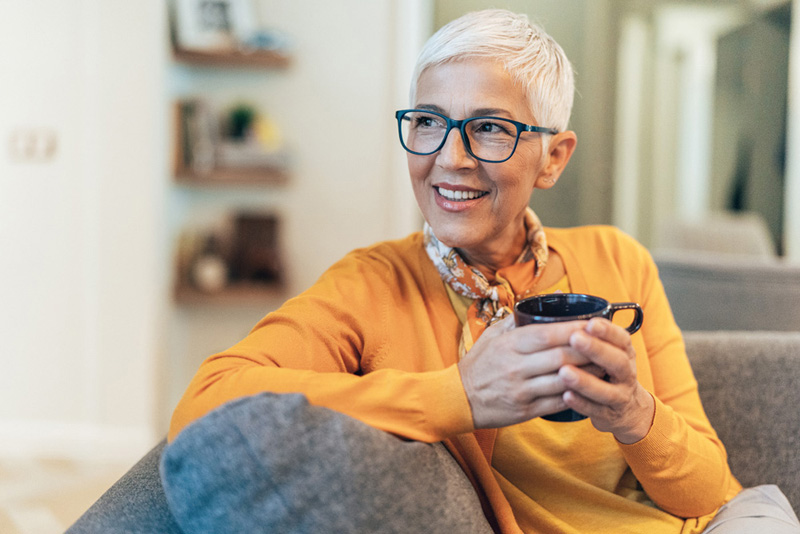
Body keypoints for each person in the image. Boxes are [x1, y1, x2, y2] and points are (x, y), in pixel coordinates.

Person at [165, 9, 800, 534]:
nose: (450, 159)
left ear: (553, 158)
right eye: (429, 123)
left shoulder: (617, 259)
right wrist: (460, 396)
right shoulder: (371, 285)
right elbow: (206, 407)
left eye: (489, 129)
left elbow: (713, 491)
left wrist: (634, 413)